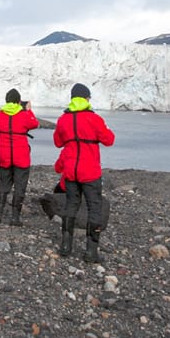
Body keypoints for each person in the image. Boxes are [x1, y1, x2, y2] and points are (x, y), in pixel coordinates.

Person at [53, 83, 116, 262]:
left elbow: (58, 142)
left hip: (71, 171)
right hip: (90, 172)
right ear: (86, 98)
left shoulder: (63, 119)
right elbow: (109, 140)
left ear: (72, 98)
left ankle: (66, 246)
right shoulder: (94, 119)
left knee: (71, 205)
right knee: (94, 208)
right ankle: (91, 252)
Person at [0, 88, 39, 225]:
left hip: (5, 155)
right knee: (20, 186)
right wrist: (28, 110)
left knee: (4, 184)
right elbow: (34, 124)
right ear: (19, 101)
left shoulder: (0, 114)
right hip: (21, 156)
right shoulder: (23, 114)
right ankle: (15, 218)